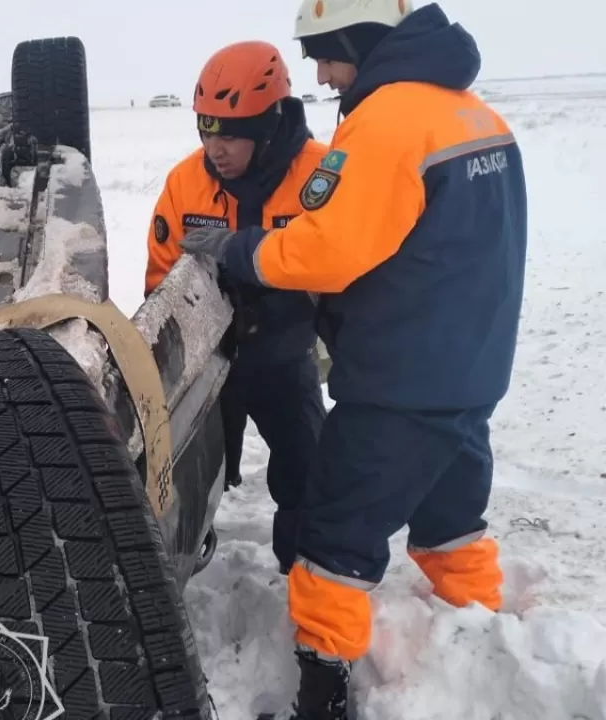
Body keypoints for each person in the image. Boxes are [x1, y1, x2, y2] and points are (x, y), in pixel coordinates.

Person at [178, 2, 527, 718]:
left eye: (321, 51)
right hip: (472, 369)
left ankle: (324, 682)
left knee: (333, 536)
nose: (317, 70)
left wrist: (241, 252)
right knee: (453, 514)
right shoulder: (474, 115)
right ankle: (486, 635)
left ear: (354, 37)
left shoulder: (387, 122)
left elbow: (327, 251)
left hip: (400, 379)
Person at [145, 40, 326, 577]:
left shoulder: (323, 179)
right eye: (205, 128)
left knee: (309, 471)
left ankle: (307, 577)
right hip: (208, 361)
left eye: (230, 132)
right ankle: (184, 554)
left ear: (269, 123)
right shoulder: (186, 183)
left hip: (284, 355)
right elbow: (161, 279)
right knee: (185, 473)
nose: (214, 147)